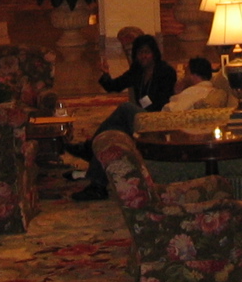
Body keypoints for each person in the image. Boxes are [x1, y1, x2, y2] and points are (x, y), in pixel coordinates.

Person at [72, 33, 179, 201]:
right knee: (111, 134)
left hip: (156, 121)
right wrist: (105, 74)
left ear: (154, 53)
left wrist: (141, 110)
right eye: (139, 53)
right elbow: (114, 86)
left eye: (147, 52)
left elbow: (162, 102)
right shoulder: (137, 71)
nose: (143, 56)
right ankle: (97, 185)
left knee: (125, 108)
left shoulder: (165, 71)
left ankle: (88, 147)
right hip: (139, 120)